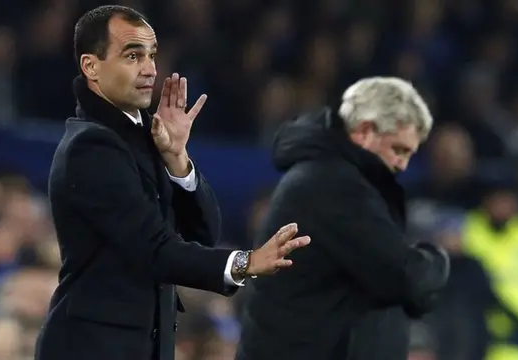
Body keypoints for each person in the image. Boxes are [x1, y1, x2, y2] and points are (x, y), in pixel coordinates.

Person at [34, 5, 310, 360]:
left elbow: (203, 233)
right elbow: (156, 249)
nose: (150, 69)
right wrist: (246, 262)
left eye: (152, 56)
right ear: (91, 66)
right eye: (132, 55)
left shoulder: (142, 139)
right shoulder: (91, 147)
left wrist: (178, 159)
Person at [235, 77, 451, 360]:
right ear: (364, 131)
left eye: (410, 154)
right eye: (398, 149)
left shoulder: (331, 177)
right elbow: (405, 278)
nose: (402, 164)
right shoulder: (333, 185)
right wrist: (438, 259)